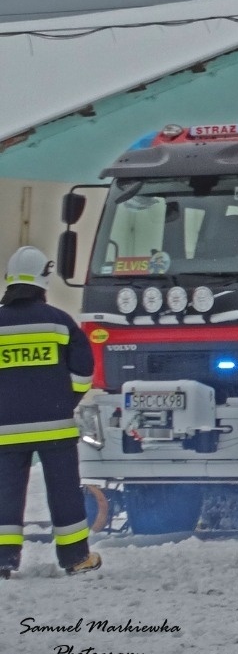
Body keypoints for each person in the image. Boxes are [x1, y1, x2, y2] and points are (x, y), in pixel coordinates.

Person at [0, 246, 101, 577]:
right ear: (43, 281)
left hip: (5, 432)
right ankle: (76, 558)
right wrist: (61, 400)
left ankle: (3, 561)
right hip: (56, 428)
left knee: (5, 495)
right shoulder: (60, 322)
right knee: (64, 493)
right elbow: (84, 372)